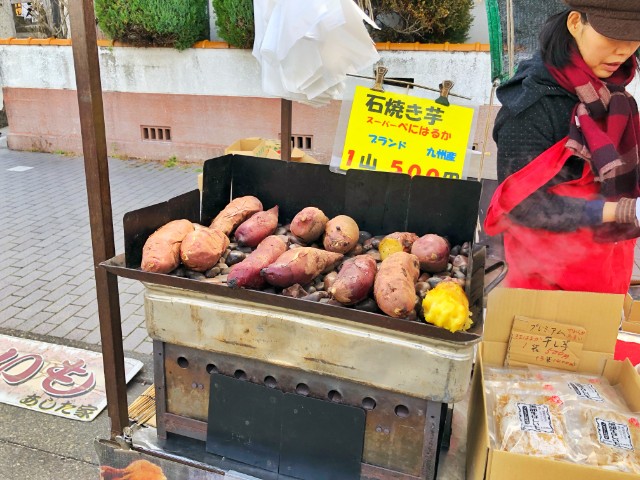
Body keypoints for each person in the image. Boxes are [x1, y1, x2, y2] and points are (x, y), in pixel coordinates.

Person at [484, 0, 640, 294]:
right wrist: (622, 211)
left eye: (634, 38)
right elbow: (522, 206)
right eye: (613, 35)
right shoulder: (532, 104)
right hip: (545, 282)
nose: (624, 50)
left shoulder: (613, 94)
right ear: (575, 24)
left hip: (607, 269)